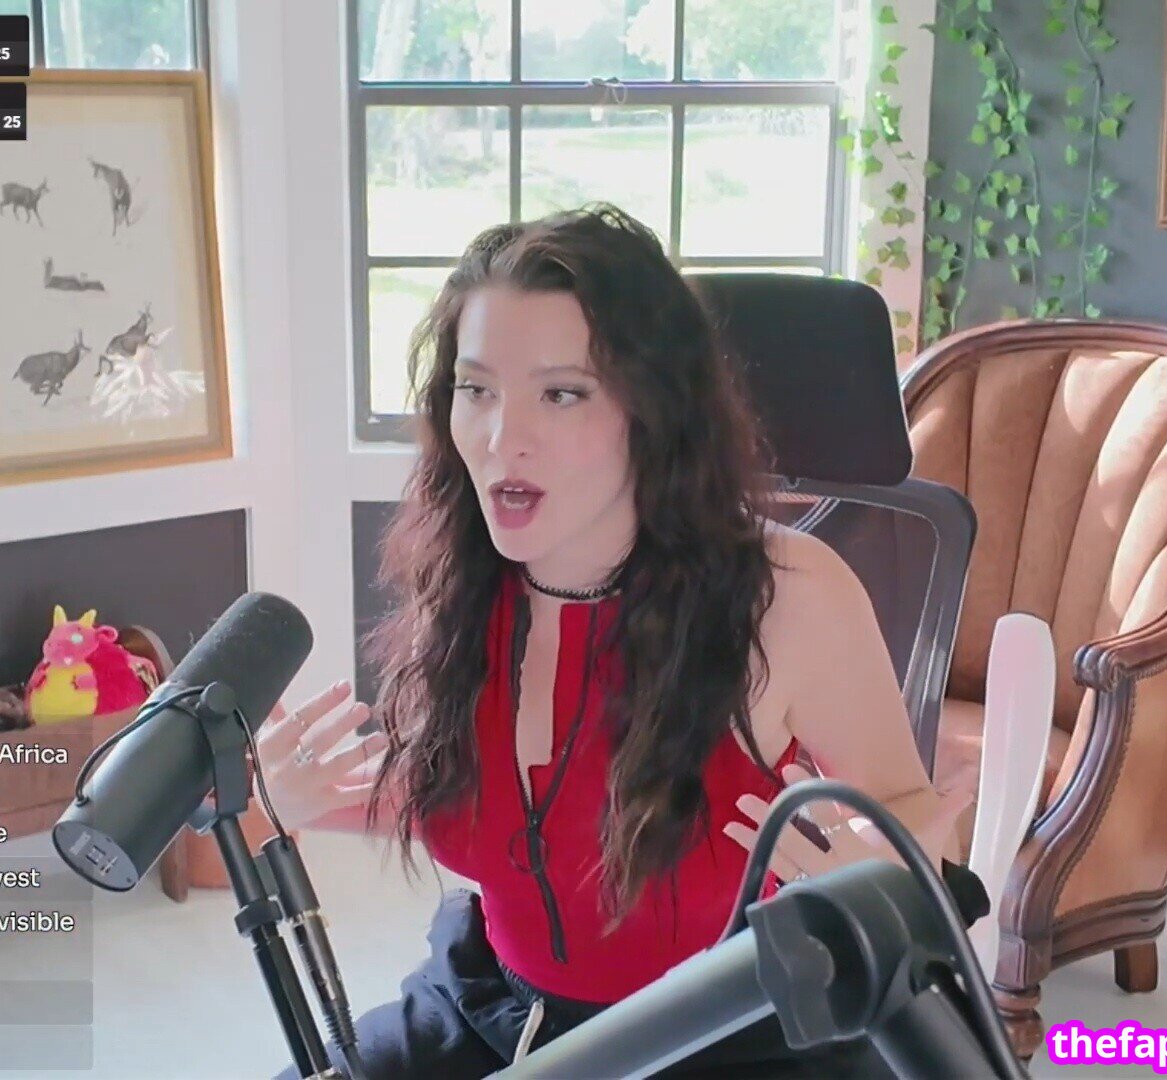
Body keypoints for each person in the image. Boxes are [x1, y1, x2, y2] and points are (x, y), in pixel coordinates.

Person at [259, 204, 982, 1079]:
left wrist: (882, 871)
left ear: (653, 409)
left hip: (727, 1034)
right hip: (496, 1011)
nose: (502, 438)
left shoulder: (786, 595)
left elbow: (913, 823)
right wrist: (298, 803)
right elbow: (516, 825)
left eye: (561, 393)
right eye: (476, 389)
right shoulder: (463, 575)